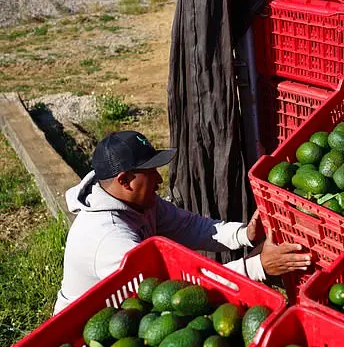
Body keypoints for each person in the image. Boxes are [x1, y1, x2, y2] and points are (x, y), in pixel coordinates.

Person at [54, 131, 311, 314]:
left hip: (132, 314)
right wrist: (257, 267)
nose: (159, 179)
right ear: (124, 180)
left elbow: (188, 226)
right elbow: (174, 293)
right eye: (150, 172)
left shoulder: (140, 203)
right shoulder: (109, 240)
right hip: (87, 333)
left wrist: (244, 235)